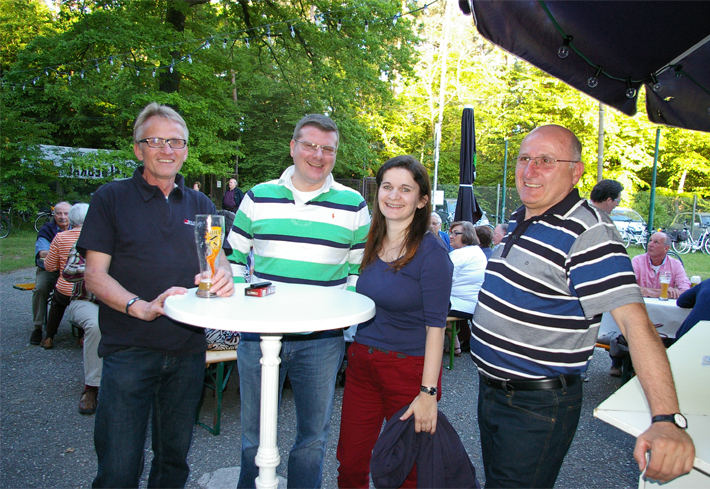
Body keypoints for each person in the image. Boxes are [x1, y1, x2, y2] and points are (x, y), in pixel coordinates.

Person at [470, 124, 694, 488]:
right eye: (524, 159)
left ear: (576, 172)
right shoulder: (522, 216)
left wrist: (666, 419)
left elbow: (635, 323)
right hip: (493, 391)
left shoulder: (589, 232)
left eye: (545, 161)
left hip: (534, 406)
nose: (529, 171)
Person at [78, 102, 234, 488]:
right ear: (138, 149)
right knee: (118, 468)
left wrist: (223, 279)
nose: (167, 149)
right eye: (156, 141)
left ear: (186, 150)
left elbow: (220, 262)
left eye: (176, 142)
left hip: (188, 352)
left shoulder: (200, 204)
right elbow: (94, 276)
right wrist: (139, 306)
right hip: (129, 350)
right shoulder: (110, 198)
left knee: (173, 464)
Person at [226, 114, 370, 489]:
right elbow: (233, 258)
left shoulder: (354, 204)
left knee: (312, 440)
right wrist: (244, 305)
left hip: (321, 341)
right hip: (259, 335)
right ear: (293, 147)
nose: (318, 155)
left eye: (328, 149)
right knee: (253, 437)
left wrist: (342, 312)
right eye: (309, 145)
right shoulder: (257, 196)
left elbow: (359, 267)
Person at [336, 155, 452, 488]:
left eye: (405, 189)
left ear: (422, 200)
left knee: (406, 470)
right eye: (387, 187)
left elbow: (436, 327)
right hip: (362, 364)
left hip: (409, 371)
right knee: (350, 464)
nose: (394, 196)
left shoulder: (432, 253)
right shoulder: (371, 242)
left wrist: (428, 393)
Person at [40, 203, 89, 349]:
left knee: (57, 303)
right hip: (87, 288)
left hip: (66, 288)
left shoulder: (60, 237)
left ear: (71, 218)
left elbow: (49, 266)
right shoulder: (95, 236)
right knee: (85, 300)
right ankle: (82, 337)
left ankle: (49, 337)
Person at [62, 242, 102, 414]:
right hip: (86, 301)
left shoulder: (130, 241)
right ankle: (91, 387)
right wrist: (101, 268)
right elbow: (68, 272)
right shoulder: (86, 242)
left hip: (120, 303)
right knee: (95, 326)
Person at [30, 201, 71, 345]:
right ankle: (38, 327)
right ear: (54, 215)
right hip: (50, 270)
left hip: (71, 270)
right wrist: (63, 253)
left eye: (66, 213)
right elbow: (42, 253)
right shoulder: (47, 230)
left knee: (87, 286)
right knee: (40, 288)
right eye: (59, 213)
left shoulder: (78, 228)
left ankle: (83, 329)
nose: (62, 217)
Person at [446, 221, 487, 357]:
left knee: (424, 305)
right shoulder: (476, 251)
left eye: (456, 233)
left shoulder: (460, 254)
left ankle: (425, 353)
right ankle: (455, 346)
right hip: (472, 303)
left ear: (468, 235)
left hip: (461, 304)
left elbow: (441, 281)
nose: (451, 236)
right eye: (451, 233)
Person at [632, 231, 690, 299]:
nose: (650, 244)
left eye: (656, 242)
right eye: (650, 241)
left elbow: (685, 291)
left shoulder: (675, 265)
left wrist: (649, 292)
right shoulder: (637, 261)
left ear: (666, 248)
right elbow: (628, 287)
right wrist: (664, 292)